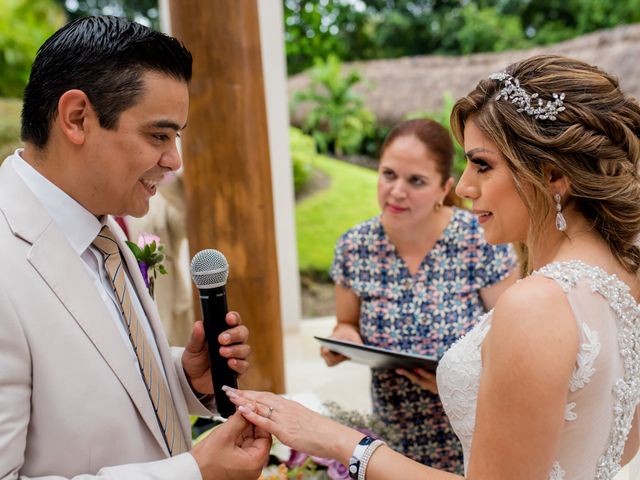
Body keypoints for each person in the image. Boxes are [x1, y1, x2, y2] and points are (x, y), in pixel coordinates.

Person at [224, 54, 640, 479]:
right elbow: (614, 446)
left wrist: (339, 440)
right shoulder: (627, 278)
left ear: (553, 175)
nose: (463, 186)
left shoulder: (536, 304)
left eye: (482, 164)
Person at [0, 16, 270, 479]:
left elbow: (96, 373)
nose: (174, 160)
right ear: (77, 118)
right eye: (158, 135)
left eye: (176, 137)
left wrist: (182, 377)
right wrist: (192, 474)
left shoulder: (103, 230)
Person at [323, 118, 518, 471]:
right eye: (389, 174)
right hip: (390, 444)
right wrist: (342, 339)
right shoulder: (354, 247)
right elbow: (346, 322)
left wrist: (461, 378)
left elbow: (514, 340)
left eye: (416, 181)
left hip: (471, 436)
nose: (397, 191)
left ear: (445, 188)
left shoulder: (477, 239)